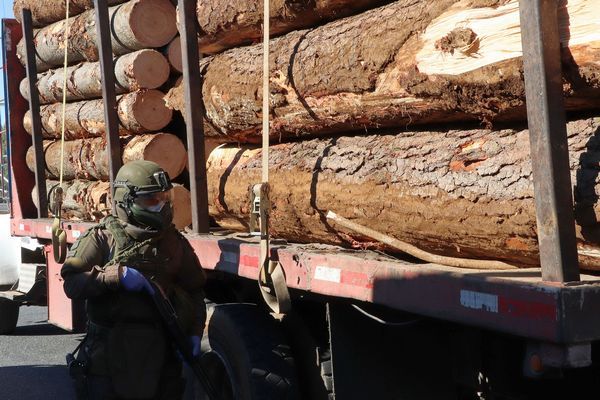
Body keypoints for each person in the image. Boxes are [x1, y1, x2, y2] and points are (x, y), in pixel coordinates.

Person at [61, 160, 207, 400]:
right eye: (151, 200)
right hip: (109, 354)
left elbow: (194, 291)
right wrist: (114, 276)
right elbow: (71, 283)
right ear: (125, 201)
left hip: (159, 354)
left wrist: (194, 332)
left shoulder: (172, 241)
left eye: (164, 198)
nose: (161, 207)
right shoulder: (102, 238)